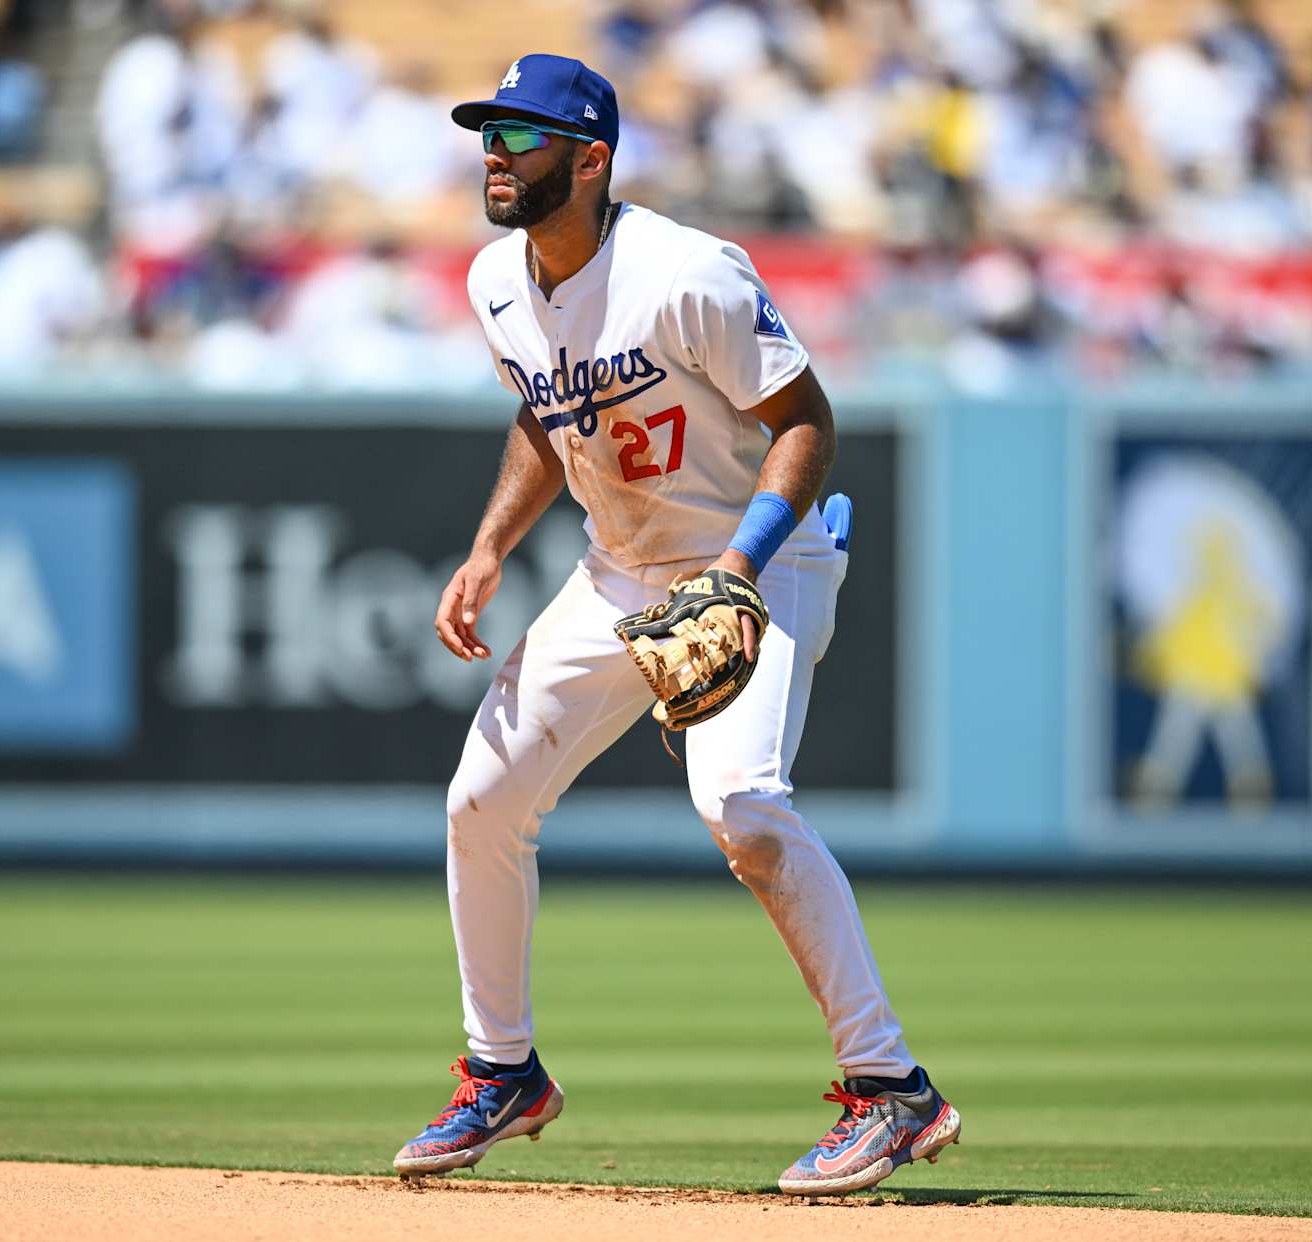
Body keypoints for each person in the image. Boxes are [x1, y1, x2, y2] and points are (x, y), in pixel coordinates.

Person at [392, 53, 960, 1198]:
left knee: (740, 807)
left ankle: (893, 1092)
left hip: (762, 558)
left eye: (521, 138)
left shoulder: (687, 272)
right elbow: (548, 413)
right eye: (488, 137)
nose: (496, 158)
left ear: (589, 158)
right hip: (619, 573)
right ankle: (503, 1070)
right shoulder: (496, 281)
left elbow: (805, 421)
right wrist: (493, 544)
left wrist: (740, 570)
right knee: (481, 801)